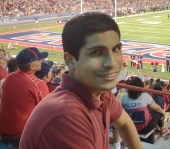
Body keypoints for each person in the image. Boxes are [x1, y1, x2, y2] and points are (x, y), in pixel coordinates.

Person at [19, 13, 142, 149]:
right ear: (70, 61)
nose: (112, 63)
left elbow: (124, 123)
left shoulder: (99, 92)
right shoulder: (66, 116)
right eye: (96, 52)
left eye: (116, 49)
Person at [0, 47, 49, 147]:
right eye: (39, 59)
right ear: (32, 66)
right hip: (20, 136)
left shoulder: (10, 77)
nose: (41, 61)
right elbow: (48, 112)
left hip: (3, 131)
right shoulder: (38, 84)